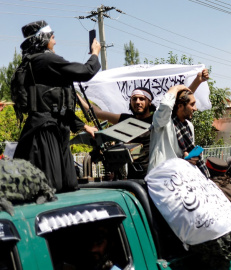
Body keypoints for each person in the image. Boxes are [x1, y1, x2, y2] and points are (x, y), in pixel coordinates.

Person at [14, 20, 100, 192]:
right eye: (53, 37)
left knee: (67, 184)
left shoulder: (37, 62)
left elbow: (54, 103)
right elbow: (85, 72)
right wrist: (95, 55)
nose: (55, 41)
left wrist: (83, 126)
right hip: (45, 132)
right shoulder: (45, 59)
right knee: (54, 186)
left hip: (50, 128)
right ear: (44, 39)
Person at [77, 69, 209, 180]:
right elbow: (96, 112)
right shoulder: (126, 120)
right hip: (133, 175)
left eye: (142, 99)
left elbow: (180, 99)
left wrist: (198, 81)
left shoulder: (157, 119)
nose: (138, 102)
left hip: (154, 172)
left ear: (149, 102)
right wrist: (74, 94)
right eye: (134, 99)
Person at [148, 84, 209, 177]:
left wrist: (191, 158)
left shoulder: (189, 126)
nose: (195, 108)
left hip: (180, 176)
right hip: (161, 176)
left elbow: (187, 154)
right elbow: (166, 105)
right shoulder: (163, 121)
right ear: (180, 106)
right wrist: (175, 88)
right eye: (192, 104)